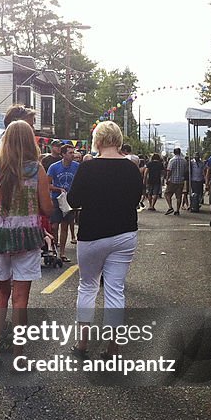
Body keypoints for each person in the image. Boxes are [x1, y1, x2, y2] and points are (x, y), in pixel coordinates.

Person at [0, 120, 53, 367]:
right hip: (26, 238)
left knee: (1, 291)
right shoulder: (36, 170)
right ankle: (19, 350)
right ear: (31, 141)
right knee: (21, 298)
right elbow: (48, 209)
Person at [66, 121, 144, 358]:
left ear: (97, 141)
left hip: (92, 234)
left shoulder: (87, 168)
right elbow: (135, 200)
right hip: (124, 233)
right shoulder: (132, 169)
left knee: (88, 286)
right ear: (119, 140)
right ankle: (113, 348)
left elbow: (72, 200)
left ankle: (82, 344)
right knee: (115, 289)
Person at [47, 145, 80, 261]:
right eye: (70, 153)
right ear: (63, 154)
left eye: (73, 152)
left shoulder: (77, 167)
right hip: (56, 199)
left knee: (65, 225)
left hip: (69, 200)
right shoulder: (54, 167)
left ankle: (62, 253)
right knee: (54, 225)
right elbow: (48, 184)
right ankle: (55, 247)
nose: (73, 155)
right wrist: (58, 189)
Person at [164, 147, 187, 215]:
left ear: (174, 152)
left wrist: (167, 178)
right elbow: (186, 170)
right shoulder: (184, 160)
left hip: (172, 180)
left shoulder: (172, 160)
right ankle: (177, 210)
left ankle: (170, 207)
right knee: (179, 196)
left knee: (167, 194)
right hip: (181, 180)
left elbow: (169, 170)